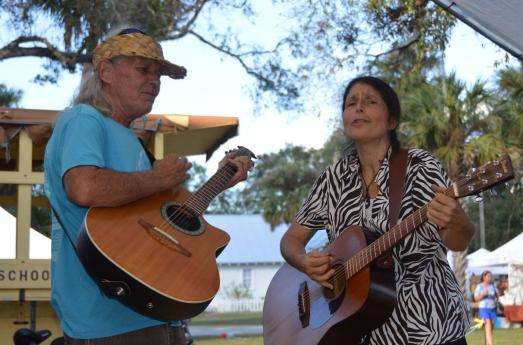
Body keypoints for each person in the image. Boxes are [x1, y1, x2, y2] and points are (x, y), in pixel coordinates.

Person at [44, 28, 253, 344]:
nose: (154, 81)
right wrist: (158, 178)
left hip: (157, 312)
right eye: (143, 70)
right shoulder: (84, 119)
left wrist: (219, 181)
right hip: (107, 324)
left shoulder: (132, 140)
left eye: (158, 74)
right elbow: (84, 187)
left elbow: (160, 222)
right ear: (106, 71)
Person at [280, 76, 475, 345]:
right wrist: (303, 261)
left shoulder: (420, 166)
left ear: (392, 121)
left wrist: (458, 222)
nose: (358, 107)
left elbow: (457, 240)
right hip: (358, 331)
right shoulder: (331, 180)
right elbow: (290, 241)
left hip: (432, 327)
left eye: (370, 101)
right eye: (351, 103)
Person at [474, 271, 498, 345]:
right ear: (484, 277)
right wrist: (482, 294)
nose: (490, 278)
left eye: (491, 276)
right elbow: (476, 298)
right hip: (484, 309)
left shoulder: (493, 286)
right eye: (488, 276)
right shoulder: (480, 286)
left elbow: (497, 296)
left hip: (493, 308)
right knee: (488, 327)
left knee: (490, 329)